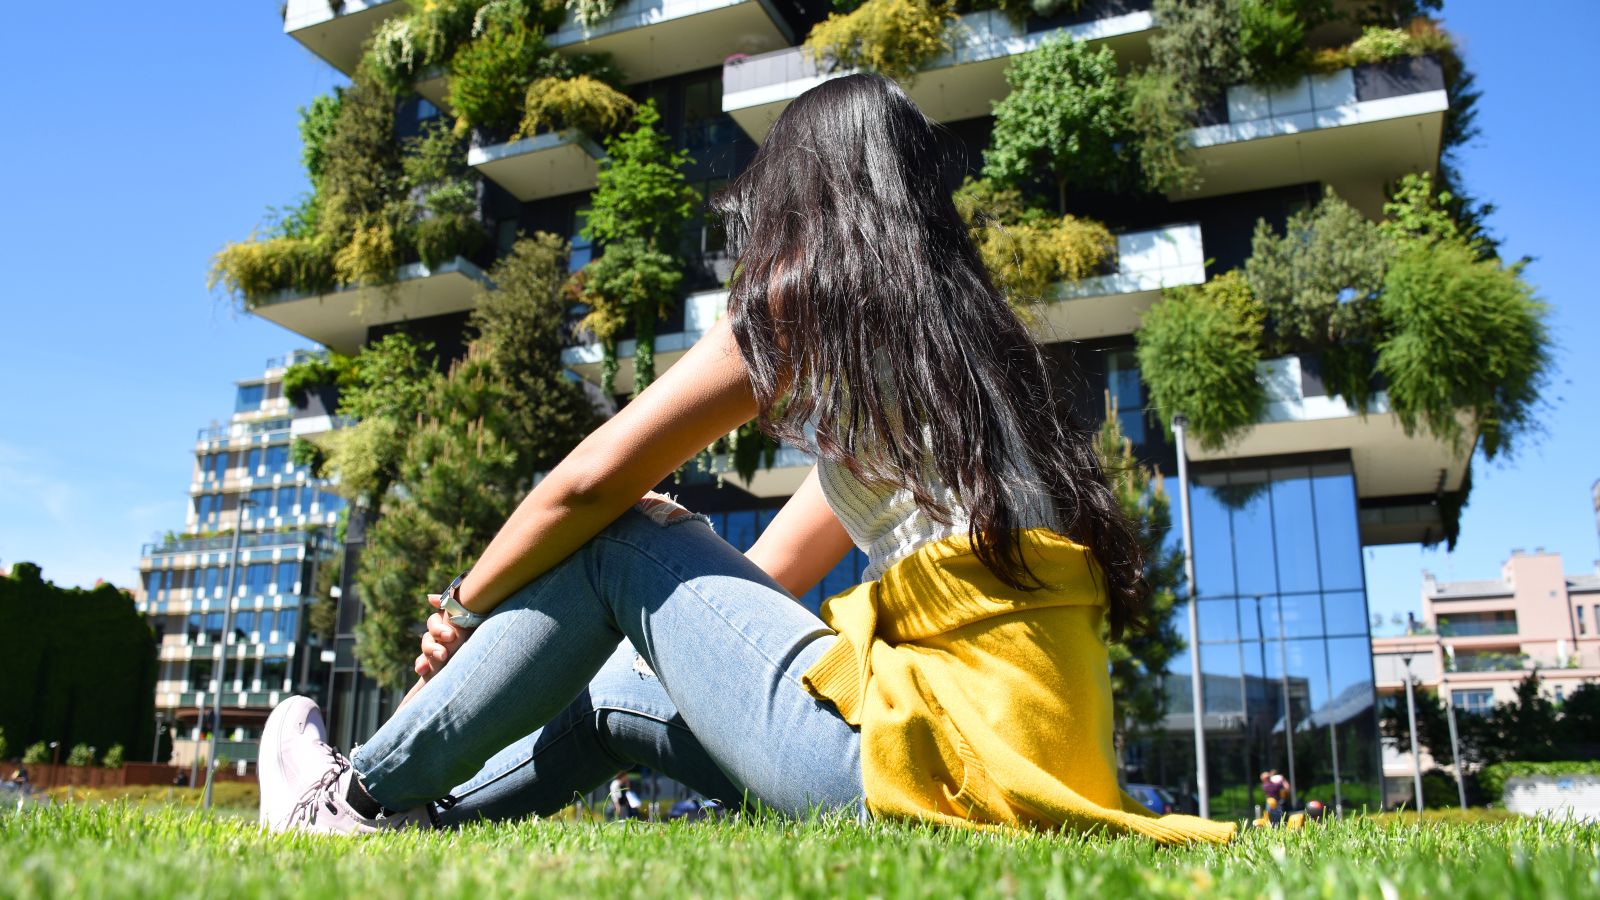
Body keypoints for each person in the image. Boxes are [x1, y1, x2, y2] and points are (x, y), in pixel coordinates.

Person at [255, 72, 1234, 845]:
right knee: (614, 688)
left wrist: (464, 610)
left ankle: (356, 793)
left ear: (804, 191)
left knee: (617, 530)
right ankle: (402, 823)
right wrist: (667, 579)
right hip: (994, 783)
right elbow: (758, 587)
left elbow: (586, 485)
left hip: (926, 775)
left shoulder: (805, 301)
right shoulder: (968, 376)